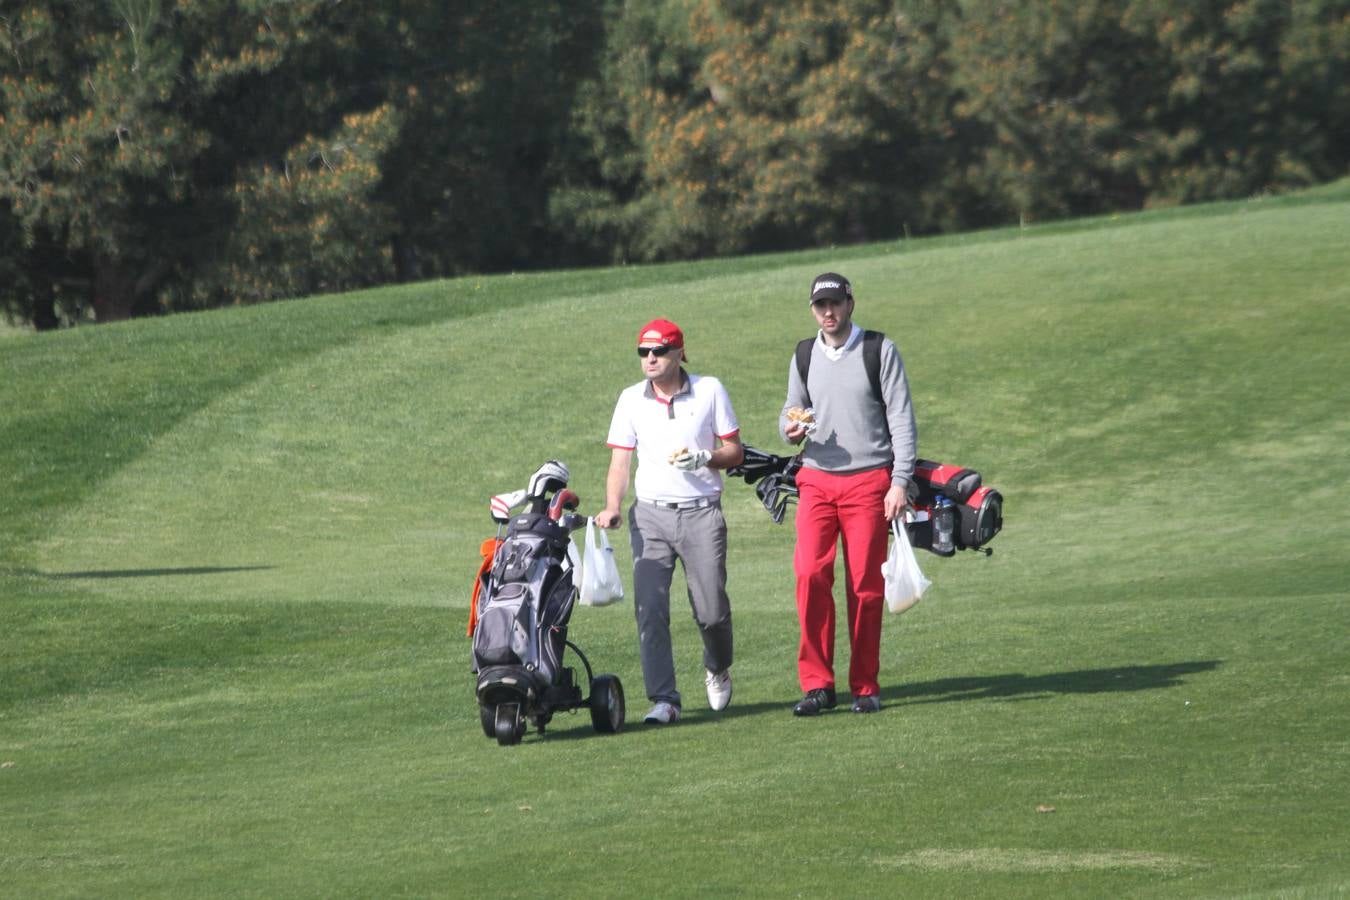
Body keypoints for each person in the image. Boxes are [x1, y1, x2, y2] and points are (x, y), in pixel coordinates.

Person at [780, 273, 918, 715]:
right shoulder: (804, 354)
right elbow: (791, 412)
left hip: (868, 481)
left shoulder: (879, 350)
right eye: (820, 305)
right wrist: (791, 428)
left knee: (865, 585)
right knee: (809, 576)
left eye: (835, 303)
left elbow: (901, 419)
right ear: (812, 309)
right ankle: (818, 685)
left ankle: (865, 685)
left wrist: (899, 482)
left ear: (850, 303)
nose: (828, 312)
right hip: (817, 479)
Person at [597, 318, 744, 725]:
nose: (650, 359)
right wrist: (612, 505)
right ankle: (664, 699)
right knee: (650, 610)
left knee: (712, 612)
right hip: (650, 516)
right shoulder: (630, 399)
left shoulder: (709, 390)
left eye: (658, 351)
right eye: (643, 352)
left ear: (679, 353)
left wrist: (706, 457)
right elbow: (620, 463)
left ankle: (717, 667)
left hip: (701, 514)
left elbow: (735, 451)